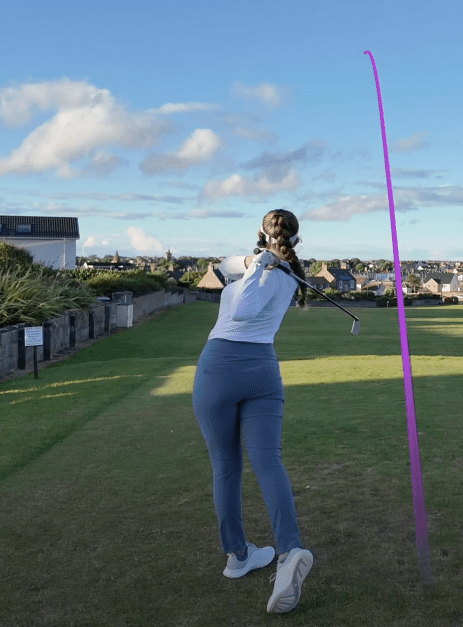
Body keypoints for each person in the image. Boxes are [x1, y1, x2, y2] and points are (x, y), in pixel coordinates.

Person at [191, 209, 314, 614]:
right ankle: (284, 551)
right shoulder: (283, 272)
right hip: (263, 371)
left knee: (226, 466)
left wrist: (260, 267)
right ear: (294, 240)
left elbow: (243, 309)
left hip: (220, 369)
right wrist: (252, 261)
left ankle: (239, 555)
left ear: (262, 234)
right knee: (268, 463)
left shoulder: (274, 274)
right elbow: (224, 264)